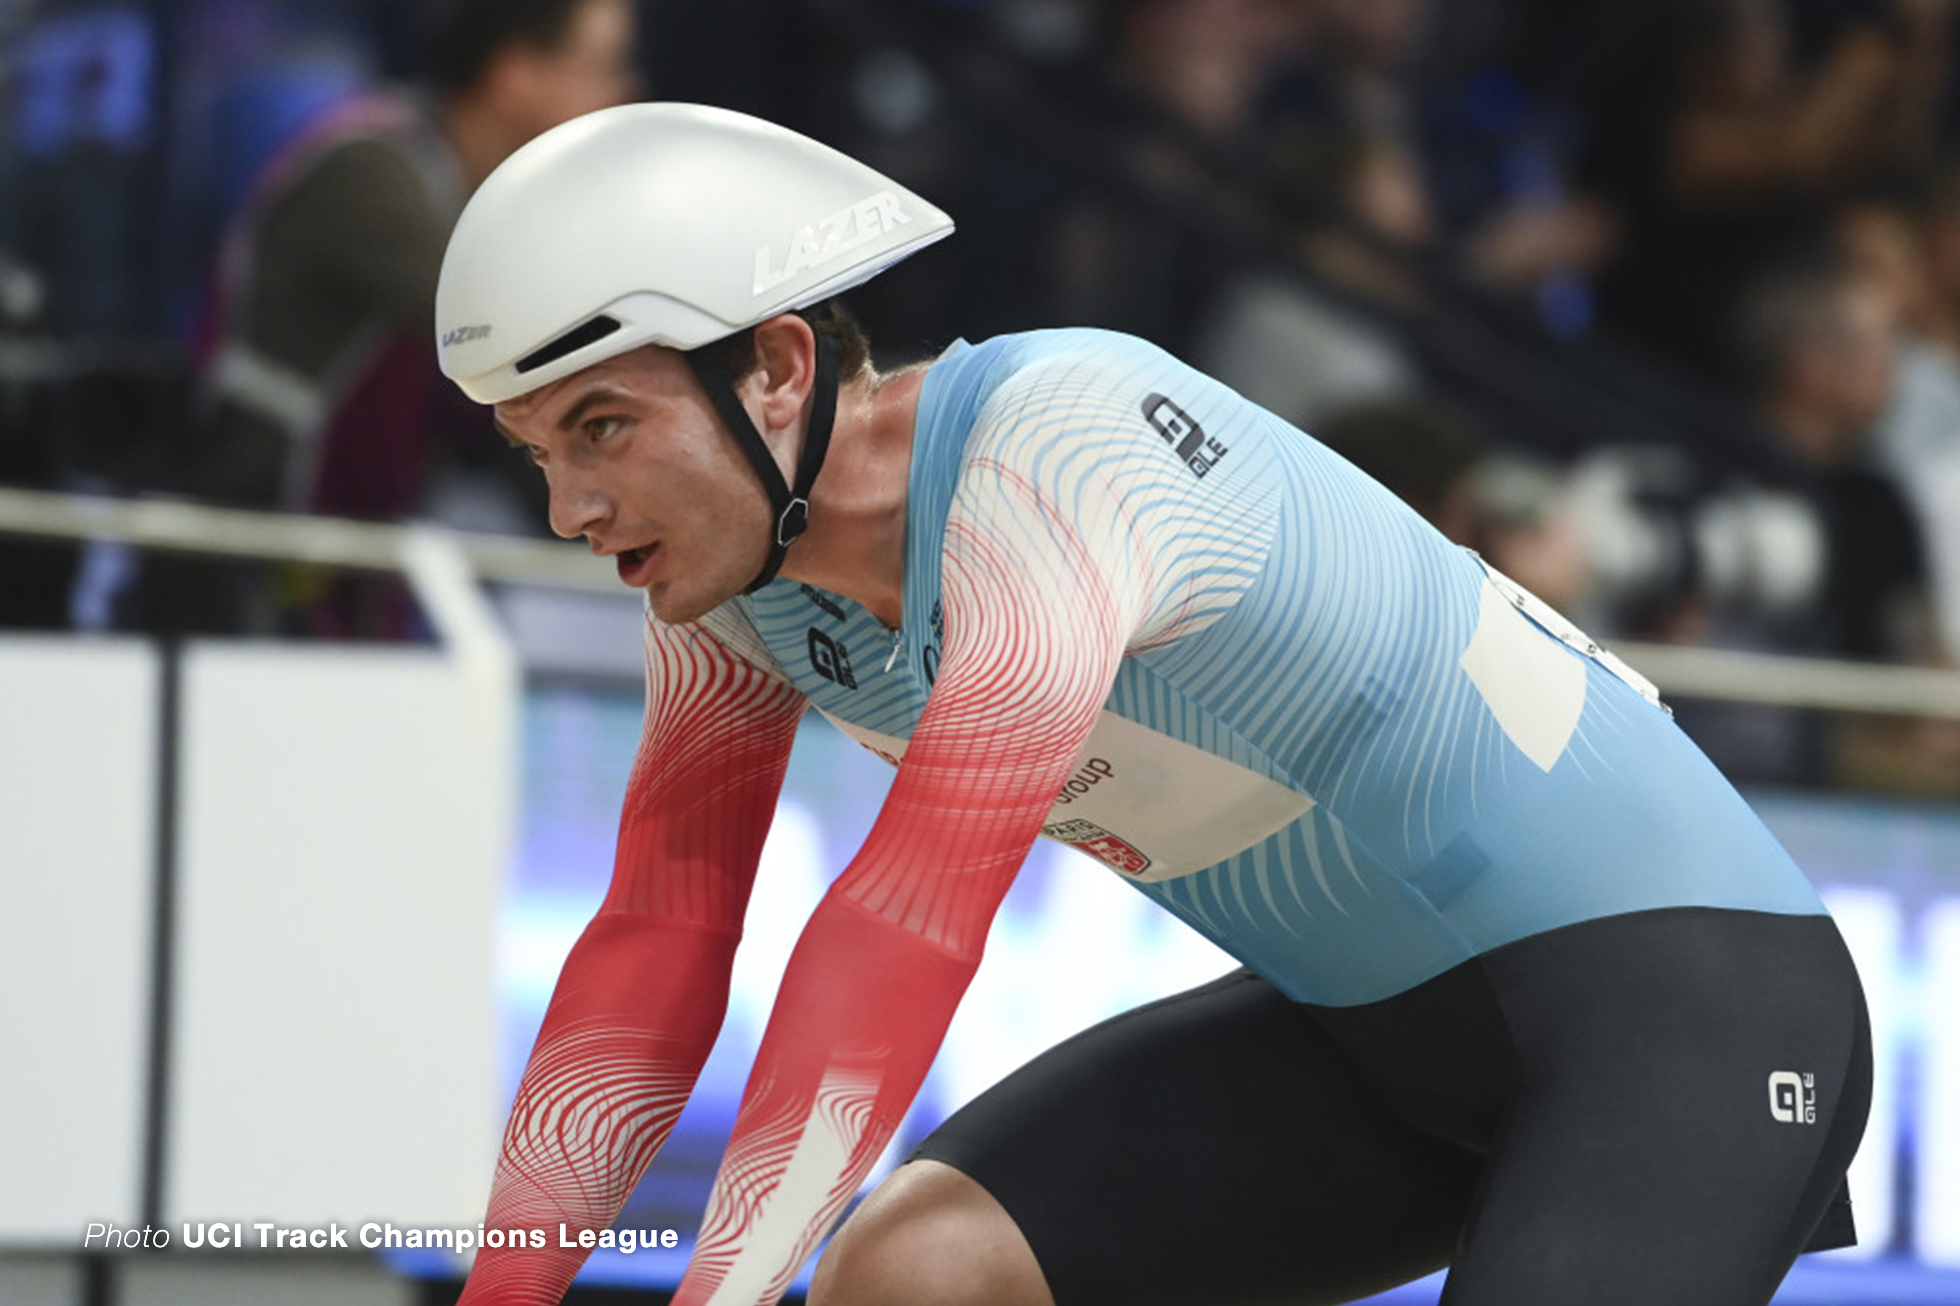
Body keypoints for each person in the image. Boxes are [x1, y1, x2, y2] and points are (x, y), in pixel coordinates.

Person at [435, 104, 1871, 1306]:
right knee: (916, 1275)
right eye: (534, 451)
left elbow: (907, 920)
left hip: (1688, 1008)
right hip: (1375, 1042)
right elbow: (656, 942)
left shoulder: (1057, 452)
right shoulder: (734, 584)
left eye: (602, 429)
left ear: (778, 369)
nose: (569, 507)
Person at [161, 0, 637, 634]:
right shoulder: (374, 173)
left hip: (347, 564)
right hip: (253, 564)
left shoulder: (464, 193)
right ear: (517, 73)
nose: (625, 94)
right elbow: (518, 349)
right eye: (603, 67)